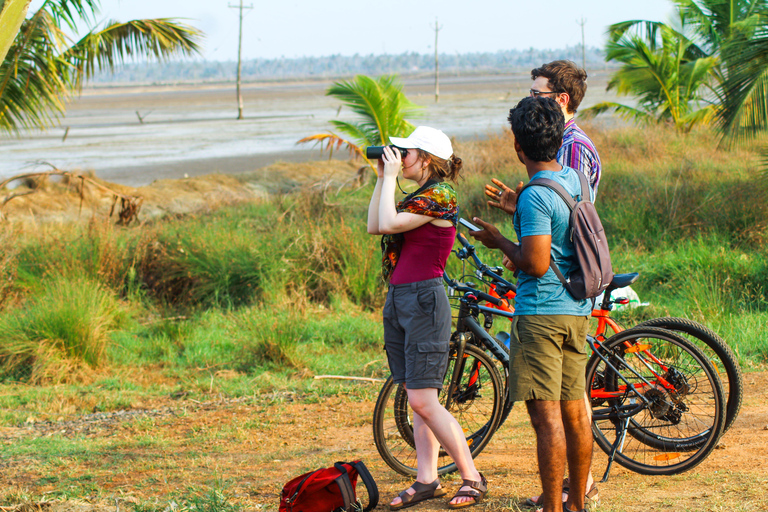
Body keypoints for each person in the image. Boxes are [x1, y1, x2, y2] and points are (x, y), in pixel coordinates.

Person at [468, 97, 593, 512]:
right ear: (558, 140)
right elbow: (558, 237)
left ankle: (554, 509)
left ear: (518, 147)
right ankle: (576, 504)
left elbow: (536, 264)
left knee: (547, 419)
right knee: (576, 414)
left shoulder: (533, 197)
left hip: (541, 315)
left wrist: (498, 239)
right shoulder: (574, 178)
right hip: (576, 312)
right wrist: (515, 210)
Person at [367, 126, 488, 510]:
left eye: (407, 152)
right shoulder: (418, 196)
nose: (401, 159)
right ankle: (427, 478)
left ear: (428, 158)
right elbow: (375, 224)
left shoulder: (441, 194)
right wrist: (381, 180)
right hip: (401, 297)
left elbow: (388, 224)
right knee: (418, 397)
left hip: (423, 299)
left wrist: (389, 178)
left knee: (423, 400)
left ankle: (471, 476)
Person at [523, 59, 601, 509]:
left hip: (558, 289)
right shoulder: (572, 146)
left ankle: (573, 489)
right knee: (571, 405)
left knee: (558, 410)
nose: (530, 100)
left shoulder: (569, 148)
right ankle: (576, 494)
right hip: (570, 289)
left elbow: (566, 219)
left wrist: (517, 231)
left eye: (537, 95)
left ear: (560, 99)